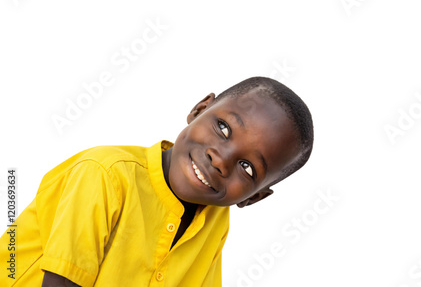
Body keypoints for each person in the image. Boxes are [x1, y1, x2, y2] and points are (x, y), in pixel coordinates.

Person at [0, 76, 314, 287]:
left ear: (253, 198)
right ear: (199, 109)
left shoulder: (215, 221)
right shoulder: (105, 175)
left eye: (247, 168)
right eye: (223, 128)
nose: (220, 160)